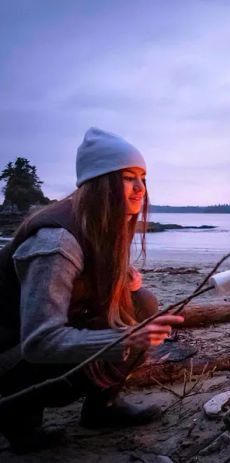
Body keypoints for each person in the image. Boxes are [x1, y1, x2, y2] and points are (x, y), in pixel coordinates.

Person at [0, 128, 184, 453]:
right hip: (12, 361)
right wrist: (124, 339)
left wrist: (122, 280)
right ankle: (20, 420)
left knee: (142, 303)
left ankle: (103, 408)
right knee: (135, 322)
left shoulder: (101, 223)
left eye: (143, 178)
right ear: (102, 183)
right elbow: (39, 342)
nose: (141, 189)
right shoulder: (56, 243)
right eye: (129, 178)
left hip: (35, 349)